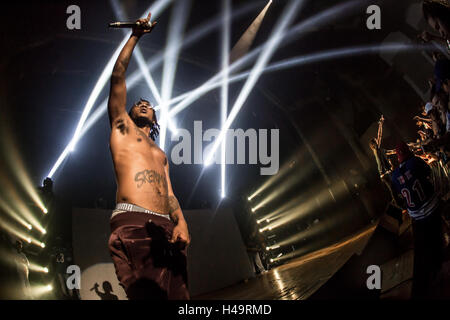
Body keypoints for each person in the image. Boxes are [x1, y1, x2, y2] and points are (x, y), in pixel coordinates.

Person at [107, 12, 190, 300]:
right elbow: (118, 75)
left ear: (155, 121)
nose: (143, 103)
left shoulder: (161, 153)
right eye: (138, 103)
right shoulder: (122, 128)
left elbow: (169, 191)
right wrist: (136, 36)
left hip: (166, 228)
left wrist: (181, 221)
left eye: (148, 104)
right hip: (134, 224)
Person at [391, 141, 444, 298]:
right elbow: (428, 172)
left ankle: (433, 271)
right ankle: (441, 263)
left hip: (416, 215)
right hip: (430, 207)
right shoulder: (415, 161)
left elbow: (399, 197)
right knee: (437, 237)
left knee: (426, 241)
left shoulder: (394, 175)